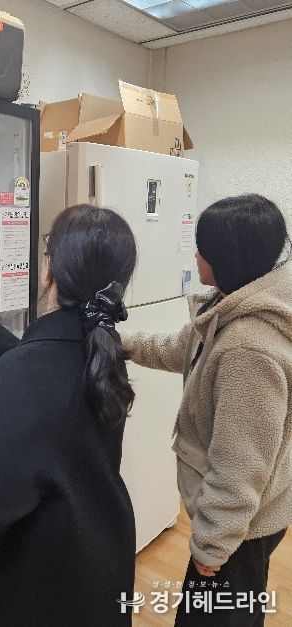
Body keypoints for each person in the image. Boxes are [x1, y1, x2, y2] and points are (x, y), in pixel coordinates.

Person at [0, 204, 138, 627]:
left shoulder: (29, 371)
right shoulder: (100, 345)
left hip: (32, 588)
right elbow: (36, 370)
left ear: (49, 271)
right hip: (97, 561)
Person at [120, 194, 292, 626]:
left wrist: (213, 545)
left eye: (203, 249)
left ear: (227, 258)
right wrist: (119, 343)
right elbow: (179, 348)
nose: (195, 256)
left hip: (240, 529)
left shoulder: (247, 350)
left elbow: (241, 466)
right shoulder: (230, 304)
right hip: (241, 521)